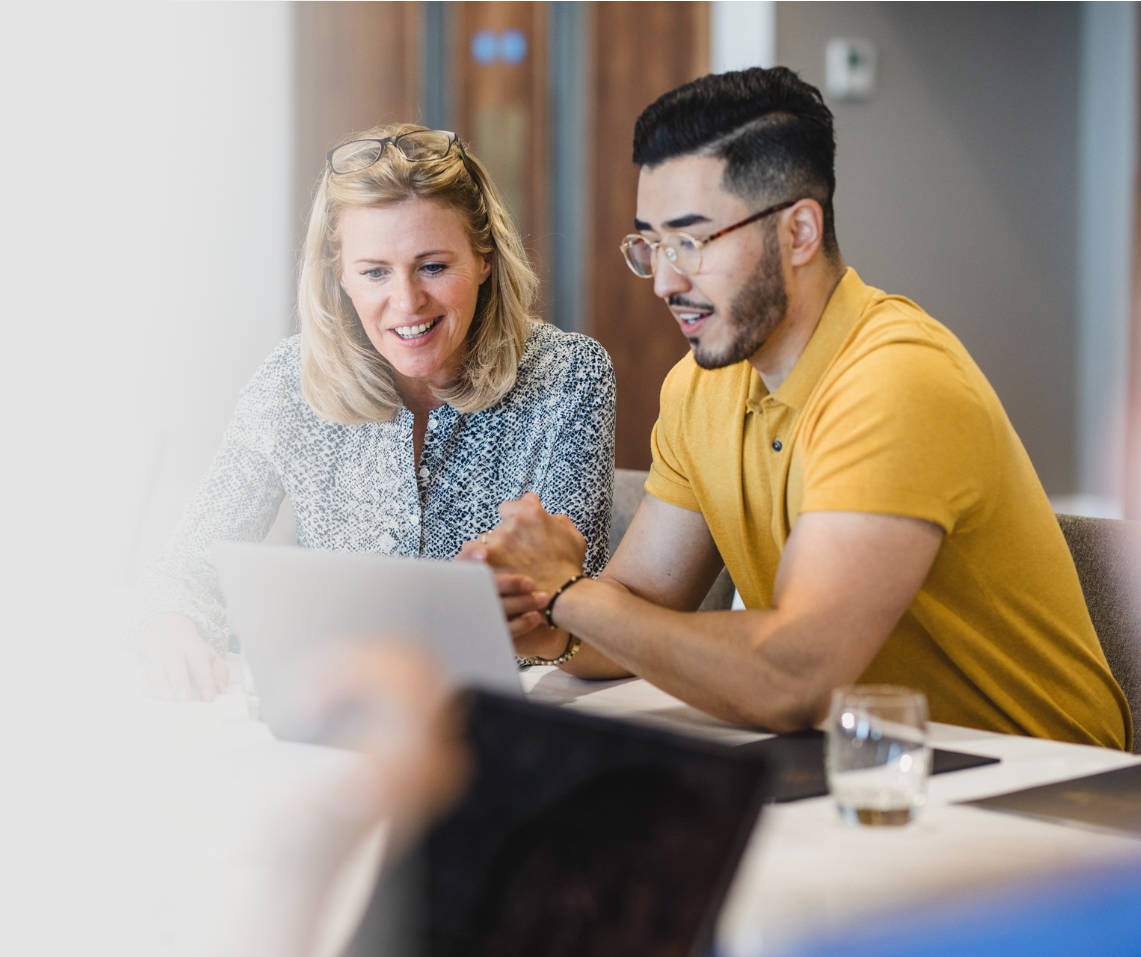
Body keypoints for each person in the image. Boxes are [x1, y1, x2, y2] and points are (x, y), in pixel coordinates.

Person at [463, 67, 1132, 750]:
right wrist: (540, 613)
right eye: (652, 245)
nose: (664, 281)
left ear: (799, 232)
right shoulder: (699, 388)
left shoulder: (893, 379)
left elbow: (794, 678)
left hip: (1045, 780)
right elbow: (635, 614)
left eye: (690, 242)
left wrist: (571, 595)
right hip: (866, 757)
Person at [138, 124, 615, 700]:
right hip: (335, 707)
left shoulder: (569, 374)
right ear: (340, 275)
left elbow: (576, 611)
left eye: (433, 267)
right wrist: (176, 625)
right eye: (374, 272)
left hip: (508, 713)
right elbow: (188, 566)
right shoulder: (290, 380)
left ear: (484, 258)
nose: (406, 302)